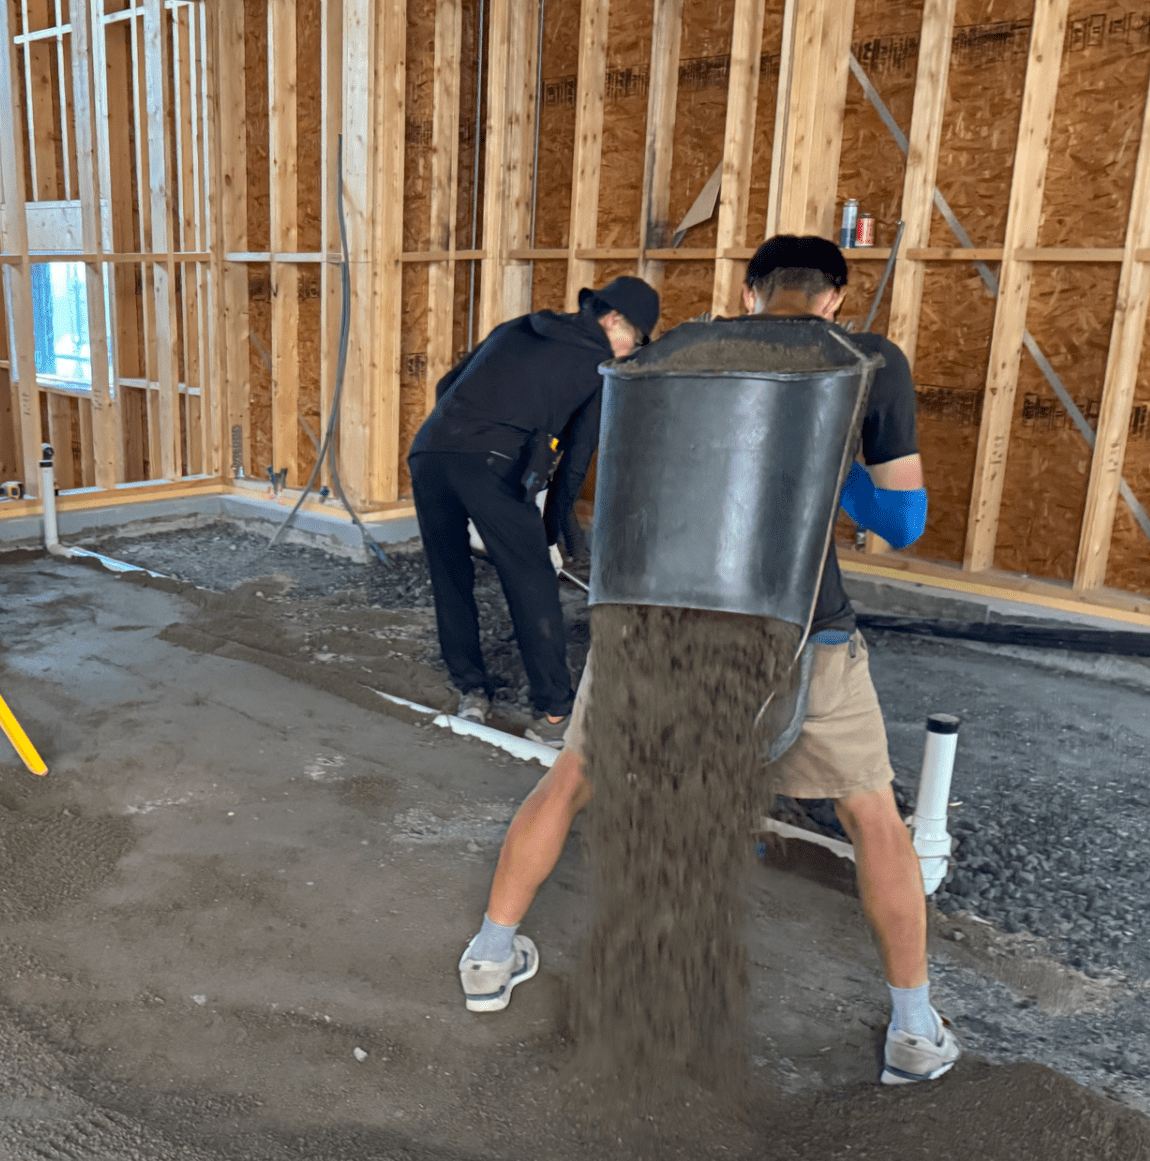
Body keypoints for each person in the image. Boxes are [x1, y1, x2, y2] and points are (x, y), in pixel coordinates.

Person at [453, 236, 961, 1088]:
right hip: (796, 627)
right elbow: (903, 520)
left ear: (752, 293)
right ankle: (913, 1028)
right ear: (834, 295)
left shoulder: (679, 354)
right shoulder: (865, 358)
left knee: (573, 774)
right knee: (873, 815)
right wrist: (827, 468)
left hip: (649, 620)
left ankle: (489, 957)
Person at [408, 275, 661, 747]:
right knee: (532, 582)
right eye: (636, 340)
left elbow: (447, 383)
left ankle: (472, 690)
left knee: (449, 575)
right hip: (488, 463)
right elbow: (579, 457)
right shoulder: (597, 365)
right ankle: (554, 714)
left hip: (428, 452)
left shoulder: (519, 327)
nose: (631, 351)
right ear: (612, 321)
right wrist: (552, 529)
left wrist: (467, 436)